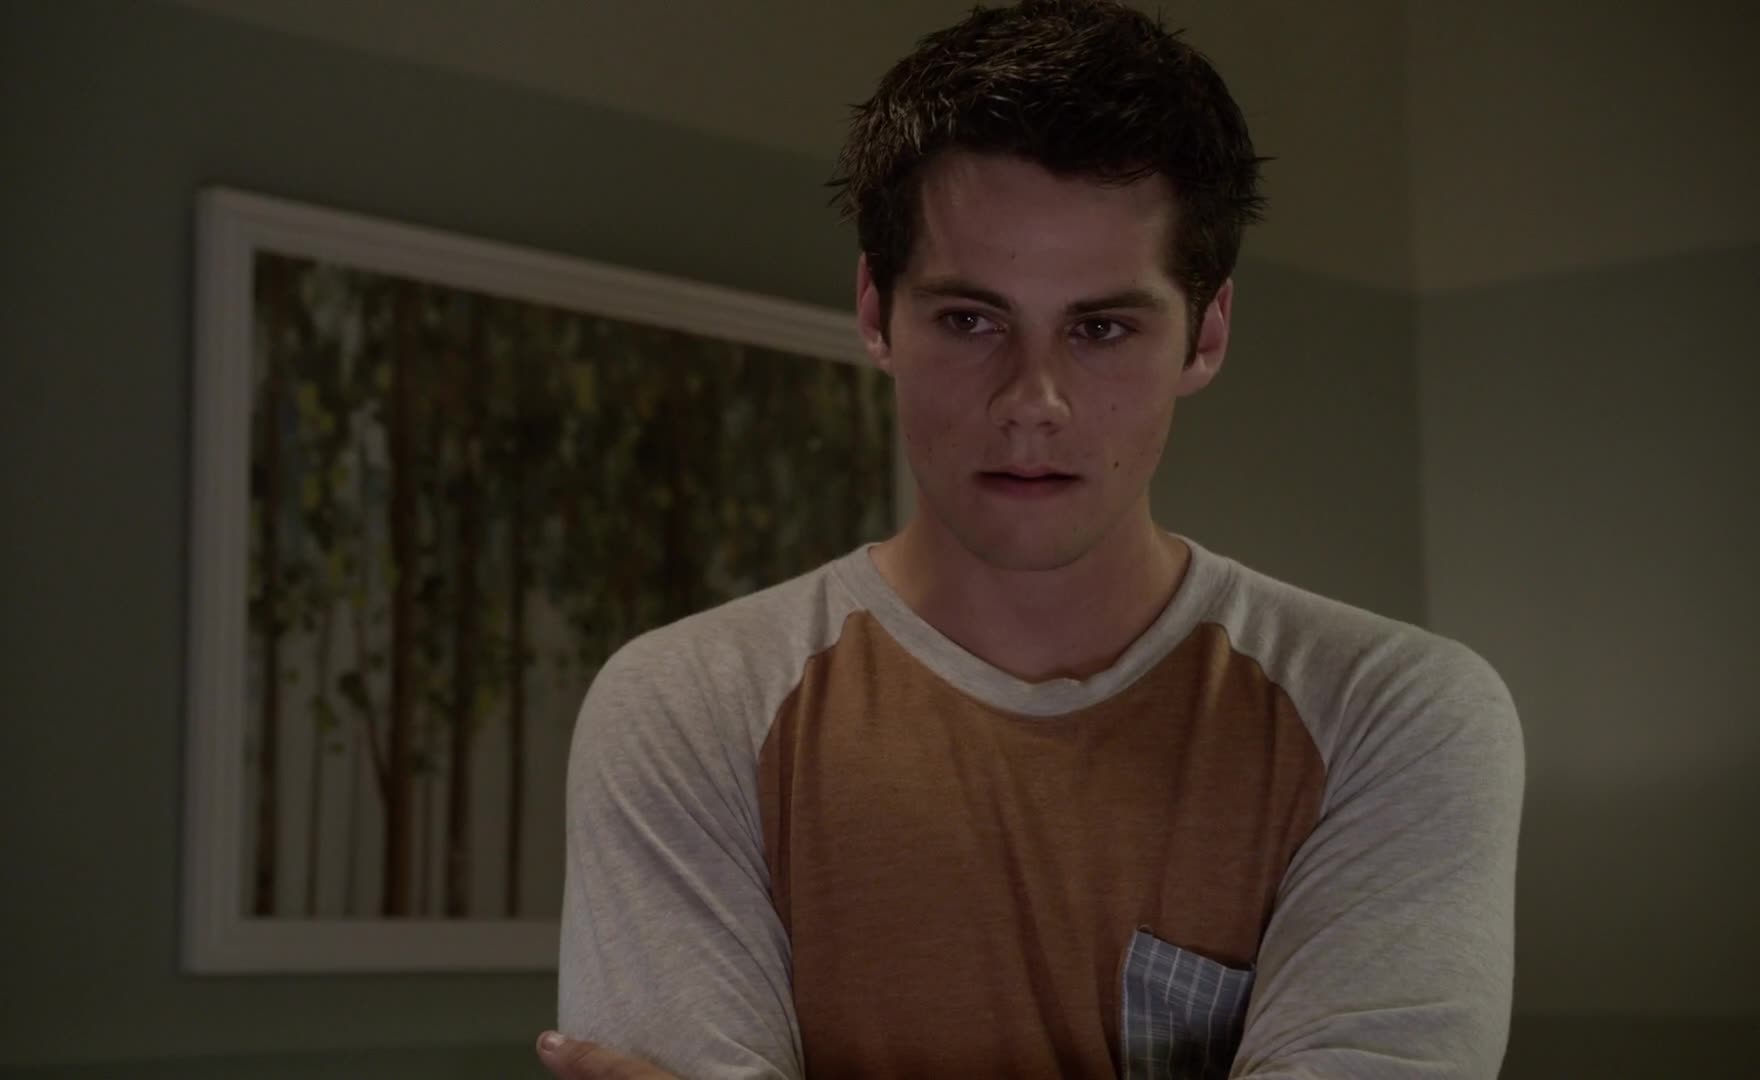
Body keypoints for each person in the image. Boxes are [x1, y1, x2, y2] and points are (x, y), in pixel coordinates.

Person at [540, 2, 1524, 1077]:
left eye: (1102, 328)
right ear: (875, 311)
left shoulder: (1390, 714)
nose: (1032, 401)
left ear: (1206, 335)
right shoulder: (695, 705)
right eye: (971, 320)